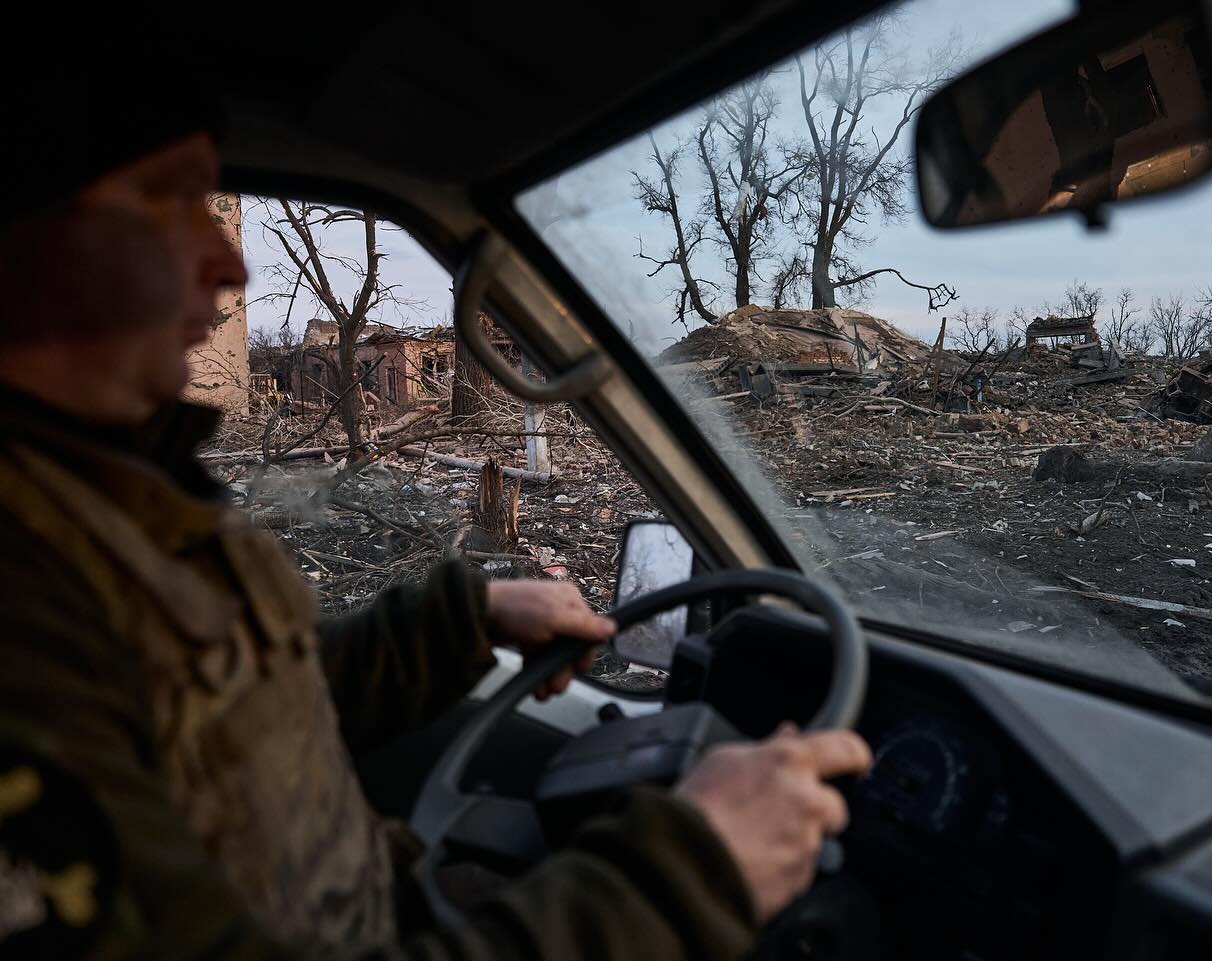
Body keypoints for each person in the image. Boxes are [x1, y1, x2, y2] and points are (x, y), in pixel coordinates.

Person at [0, 91, 872, 959]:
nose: (228, 266)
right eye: (165, 198)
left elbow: (238, 706)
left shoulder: (109, 489)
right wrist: (686, 878)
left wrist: (455, 625)